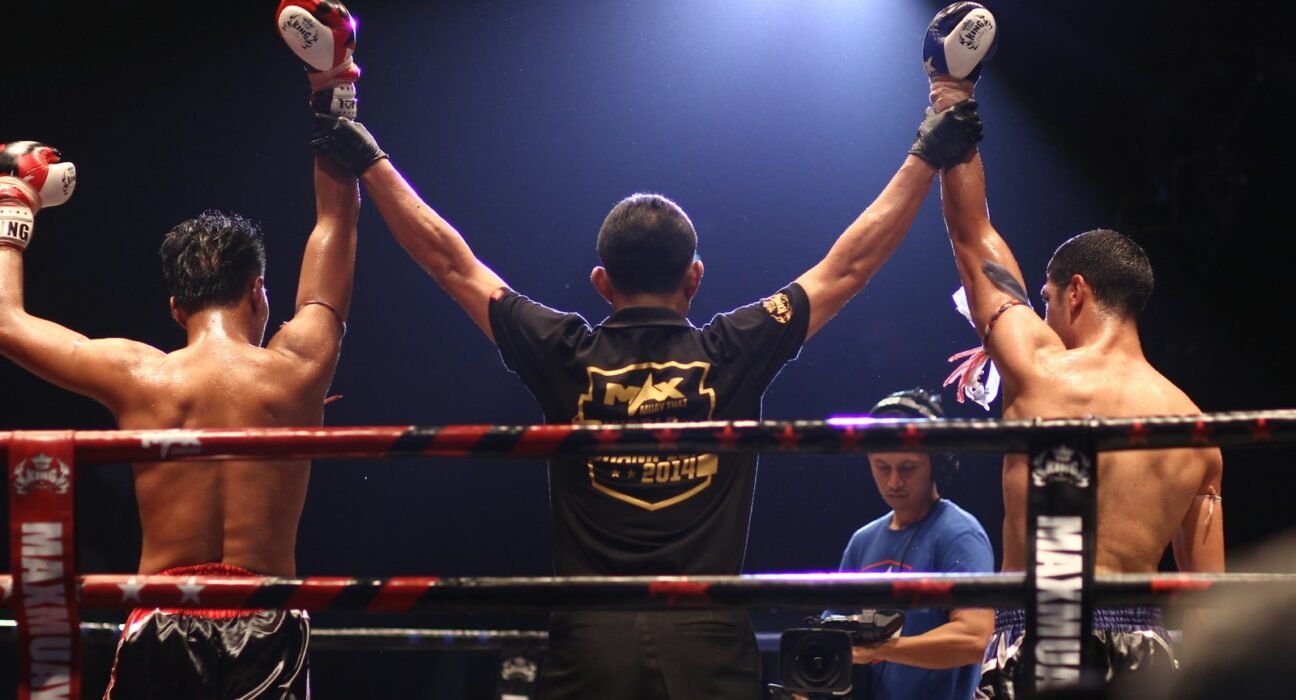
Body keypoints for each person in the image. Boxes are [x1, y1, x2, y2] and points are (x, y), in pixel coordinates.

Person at [306, 85, 980, 697]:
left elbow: (450, 263)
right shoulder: (733, 348)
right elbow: (850, 265)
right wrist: (929, 148)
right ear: (695, 277)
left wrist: (365, 155)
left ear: (602, 283)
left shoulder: (566, 352)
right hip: (705, 646)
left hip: (591, 644)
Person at [0, 134, 358, 695]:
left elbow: (6, 323)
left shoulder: (142, 374)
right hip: (267, 616)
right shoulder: (299, 368)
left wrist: (13, 204)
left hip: (164, 613)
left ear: (175, 307)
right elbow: (335, 222)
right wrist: (332, 88)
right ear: (258, 291)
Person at [926, 77, 1225, 698]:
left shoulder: (1038, 371)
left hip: (1040, 632)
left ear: (1078, 292)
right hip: (1145, 654)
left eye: (1048, 299)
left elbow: (972, 233)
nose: (1045, 316)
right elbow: (1210, 603)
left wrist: (950, 93)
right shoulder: (1195, 430)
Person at [831, 388, 994, 700]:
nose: (894, 482)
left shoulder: (960, 534)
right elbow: (831, 630)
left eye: (907, 468)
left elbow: (975, 638)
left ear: (936, 462)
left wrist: (884, 649)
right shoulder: (861, 542)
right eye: (882, 467)